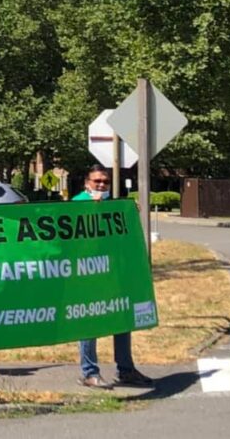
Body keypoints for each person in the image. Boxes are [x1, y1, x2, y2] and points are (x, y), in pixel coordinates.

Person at [75, 164, 153, 389]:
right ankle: (89, 372)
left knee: (122, 318)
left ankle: (126, 369)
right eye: (96, 181)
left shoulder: (114, 205)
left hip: (114, 273)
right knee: (90, 323)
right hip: (88, 274)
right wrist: (92, 209)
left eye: (105, 182)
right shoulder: (77, 203)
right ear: (86, 183)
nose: (101, 185)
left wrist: (129, 212)